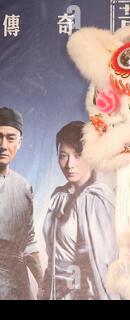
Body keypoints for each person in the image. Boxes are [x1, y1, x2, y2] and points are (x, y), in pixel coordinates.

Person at [42, 121, 118, 300]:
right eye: (63, 156)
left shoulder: (97, 198)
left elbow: (104, 263)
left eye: (78, 155)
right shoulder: (58, 196)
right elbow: (53, 254)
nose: (69, 164)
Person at [0, 106, 43, 300]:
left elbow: (28, 241)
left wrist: (43, 283)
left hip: (17, 281)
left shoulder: (23, 186)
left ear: (20, 142)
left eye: (10, 138)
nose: (3, 145)